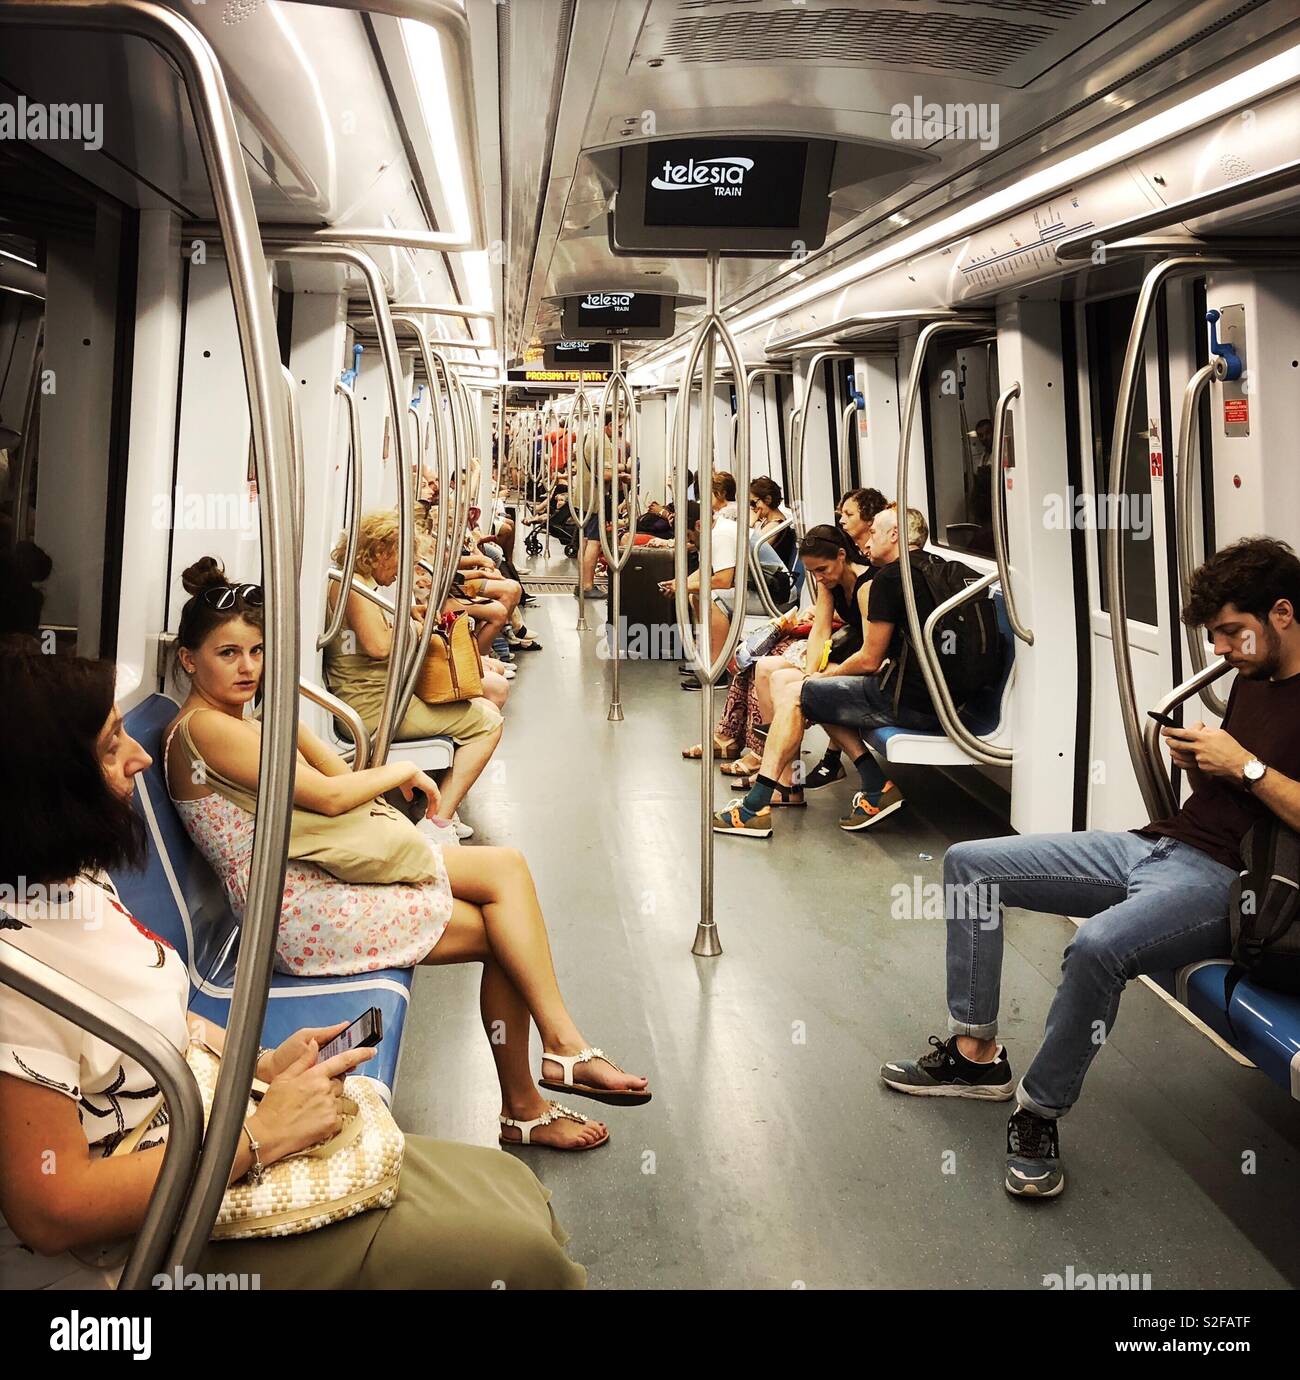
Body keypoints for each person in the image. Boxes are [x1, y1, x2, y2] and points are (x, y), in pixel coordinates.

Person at [0, 640, 589, 1288]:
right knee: (513, 1252)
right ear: (48, 784)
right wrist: (258, 1137)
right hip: (159, 1235)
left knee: (508, 1188)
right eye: (113, 745)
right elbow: (55, 1212)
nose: (138, 755)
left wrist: (259, 1065)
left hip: (205, 1131)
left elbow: (149, 1022)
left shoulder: (77, 884)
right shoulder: (17, 980)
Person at [164, 562, 650, 1135]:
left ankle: (547, 1073)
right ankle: (544, 1079)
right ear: (188, 659)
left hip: (308, 882)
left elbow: (338, 771)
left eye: (258, 651)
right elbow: (326, 796)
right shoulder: (206, 731)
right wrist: (400, 769)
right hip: (295, 913)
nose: (248, 667)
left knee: (506, 898)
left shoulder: (244, 719)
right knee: (504, 910)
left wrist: (287, 711)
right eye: (228, 654)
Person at [883, 536, 1300, 1200]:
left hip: (1227, 884)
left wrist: (1243, 767)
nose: (1220, 650)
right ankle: (975, 1057)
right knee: (970, 866)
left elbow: (1268, 789)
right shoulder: (1253, 678)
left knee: (1098, 945)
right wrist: (1205, 763)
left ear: (1282, 613)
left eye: (1231, 633)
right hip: (1158, 845)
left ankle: (1038, 1111)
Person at [715, 507, 940, 837]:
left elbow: (870, 657)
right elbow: (821, 631)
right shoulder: (841, 583)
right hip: (899, 680)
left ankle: (758, 803)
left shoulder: (872, 584)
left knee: (799, 693)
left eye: (822, 569)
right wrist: (811, 672)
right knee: (778, 676)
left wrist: (819, 680)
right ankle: (786, 780)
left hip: (884, 677)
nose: (866, 542)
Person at [324, 515, 504, 823]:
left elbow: (373, 628)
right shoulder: (351, 588)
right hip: (374, 708)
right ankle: (438, 822)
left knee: (484, 705)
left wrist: (408, 614)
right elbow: (379, 645)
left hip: (382, 698)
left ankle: (438, 800)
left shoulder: (356, 583)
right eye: (400, 559)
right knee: (488, 723)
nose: (402, 571)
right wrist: (417, 628)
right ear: (380, 551)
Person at [662, 491, 738, 687]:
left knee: (709, 599)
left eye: (689, 536)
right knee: (696, 594)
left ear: (698, 525)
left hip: (769, 593)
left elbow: (722, 580)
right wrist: (679, 584)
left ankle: (717, 670)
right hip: (749, 588)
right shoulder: (714, 531)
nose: (690, 542)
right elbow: (705, 571)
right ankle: (705, 658)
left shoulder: (720, 535)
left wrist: (685, 586)